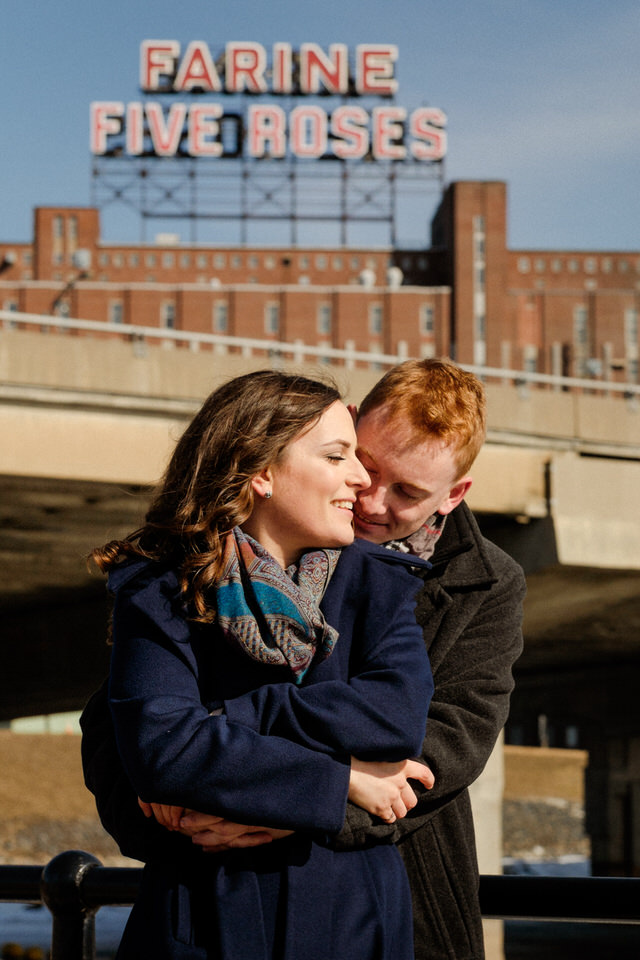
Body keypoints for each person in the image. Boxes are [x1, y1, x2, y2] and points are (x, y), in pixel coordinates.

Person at [164, 359, 526, 960]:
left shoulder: (487, 583)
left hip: (404, 892)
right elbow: (131, 725)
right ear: (350, 428)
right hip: (220, 891)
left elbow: (450, 742)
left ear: (454, 495)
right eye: (370, 466)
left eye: (407, 492)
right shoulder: (226, 547)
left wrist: (301, 808)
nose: (371, 501)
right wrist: (161, 808)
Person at [84, 369, 435, 960]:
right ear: (261, 472)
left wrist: (222, 722)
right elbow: (162, 750)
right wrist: (341, 781)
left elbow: (396, 718)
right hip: (204, 921)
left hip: (352, 920)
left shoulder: (377, 582)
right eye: (336, 456)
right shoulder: (159, 587)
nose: (361, 476)